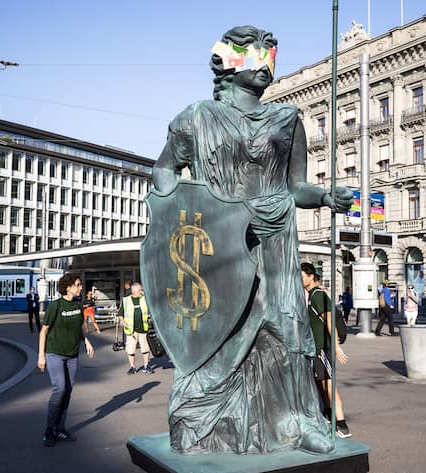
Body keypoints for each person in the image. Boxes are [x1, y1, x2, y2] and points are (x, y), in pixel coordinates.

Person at [152, 25, 353, 454]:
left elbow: (296, 186)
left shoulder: (287, 119)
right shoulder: (196, 117)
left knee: (283, 323)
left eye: (269, 56)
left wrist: (323, 196)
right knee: (227, 326)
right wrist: (174, 204)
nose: (264, 65)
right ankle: (203, 419)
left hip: (277, 230)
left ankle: (299, 421)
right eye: (253, 55)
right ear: (225, 61)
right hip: (222, 234)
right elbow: (164, 169)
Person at [38, 273, 94, 447]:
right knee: (59, 389)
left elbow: (80, 327)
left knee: (68, 391)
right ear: (68, 287)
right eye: (78, 285)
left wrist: (87, 341)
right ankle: (49, 430)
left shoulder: (78, 304)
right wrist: (41, 356)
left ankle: (60, 429)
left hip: (72, 354)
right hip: (55, 353)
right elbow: (44, 331)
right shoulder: (56, 306)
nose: (81, 287)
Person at [301, 263, 351, 438]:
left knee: (330, 383)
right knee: (321, 382)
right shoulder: (312, 295)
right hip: (318, 347)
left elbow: (329, 320)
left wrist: (336, 347)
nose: (300, 280)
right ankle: (328, 415)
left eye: (302, 276)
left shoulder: (317, 295)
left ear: (310, 276)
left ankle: (342, 424)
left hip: (324, 347)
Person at [120, 282, 153, 374]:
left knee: (145, 348)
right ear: (135, 291)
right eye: (140, 290)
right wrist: (122, 321)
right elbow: (121, 313)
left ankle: (146, 366)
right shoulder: (126, 300)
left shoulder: (144, 299)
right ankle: (132, 367)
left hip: (143, 328)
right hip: (131, 330)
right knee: (131, 349)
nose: (141, 291)